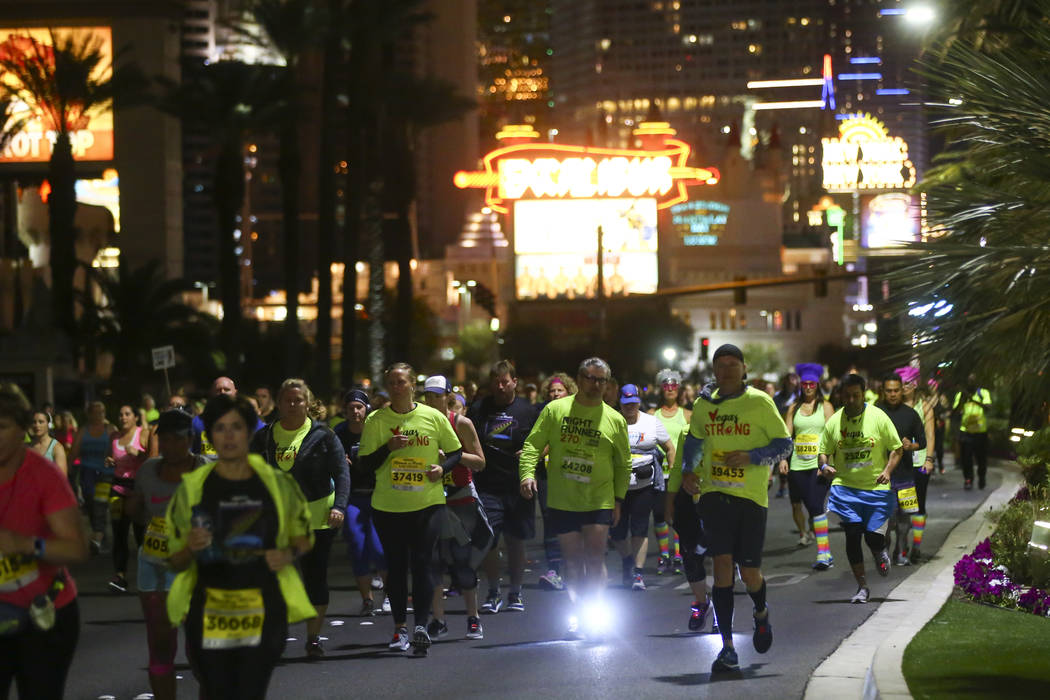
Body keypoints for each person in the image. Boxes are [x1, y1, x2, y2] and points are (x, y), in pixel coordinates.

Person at [166, 394, 315, 699]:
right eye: (220, 428)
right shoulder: (193, 488)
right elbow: (175, 559)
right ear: (208, 436)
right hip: (209, 613)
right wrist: (191, 548)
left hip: (264, 610)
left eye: (237, 427)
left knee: (249, 691)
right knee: (217, 690)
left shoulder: (277, 484)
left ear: (249, 433)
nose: (229, 435)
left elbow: (303, 537)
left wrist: (287, 553)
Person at [680, 344, 792, 673]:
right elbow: (696, 440)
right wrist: (689, 470)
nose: (727, 370)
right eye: (721, 365)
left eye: (733, 364)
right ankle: (727, 648)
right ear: (714, 370)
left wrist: (751, 457)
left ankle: (761, 613)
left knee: (750, 573)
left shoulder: (759, 401)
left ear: (744, 368)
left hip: (751, 498)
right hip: (714, 495)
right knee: (722, 566)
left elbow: (784, 445)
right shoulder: (703, 405)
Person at [519, 357, 631, 639]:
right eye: (590, 378)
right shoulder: (556, 411)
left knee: (594, 558)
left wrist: (619, 498)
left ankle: (595, 611)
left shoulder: (614, 419)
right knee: (572, 561)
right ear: (579, 380)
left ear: (608, 385)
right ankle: (579, 610)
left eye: (601, 380)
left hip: (598, 498)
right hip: (563, 498)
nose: (595, 385)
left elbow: (623, 463)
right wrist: (526, 474)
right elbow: (533, 445)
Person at [358, 363, 463, 656]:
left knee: (422, 562)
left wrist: (441, 468)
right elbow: (365, 466)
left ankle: (420, 627)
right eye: (391, 382)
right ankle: (399, 626)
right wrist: (387, 449)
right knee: (396, 565)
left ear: (412, 386)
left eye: (401, 382)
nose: (396, 387)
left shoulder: (432, 417)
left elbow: (455, 452)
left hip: (427, 503)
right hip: (388, 505)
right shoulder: (376, 420)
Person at [0, 383, 88, 699]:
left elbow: (77, 547)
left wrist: (28, 545)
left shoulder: (42, 475)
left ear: (21, 430)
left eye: (2, 427)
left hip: (44, 614)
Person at [251, 379, 349, 659]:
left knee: (314, 578)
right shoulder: (265, 436)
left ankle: (313, 638)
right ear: (278, 404)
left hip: (317, 516)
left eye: (298, 400)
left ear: (308, 403)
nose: (293, 405)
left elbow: (342, 473)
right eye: (288, 401)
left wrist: (339, 506)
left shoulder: (324, 435)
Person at [125, 409, 207, 700]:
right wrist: (129, 505)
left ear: (190, 439)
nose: (171, 445)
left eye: (177, 439)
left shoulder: (207, 470)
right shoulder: (148, 470)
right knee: (160, 646)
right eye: (165, 439)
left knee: (200, 649)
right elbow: (137, 509)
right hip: (154, 565)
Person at [818, 374, 903, 605]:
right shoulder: (835, 421)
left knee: (873, 537)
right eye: (847, 396)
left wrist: (887, 471)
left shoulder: (878, 417)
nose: (852, 400)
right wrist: (824, 465)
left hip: (876, 488)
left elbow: (896, 449)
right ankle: (862, 587)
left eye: (856, 395)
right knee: (853, 535)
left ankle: (879, 550)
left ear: (863, 394)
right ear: (841, 396)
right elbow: (823, 451)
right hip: (845, 488)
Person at [467, 360, 539, 614]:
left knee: (516, 541)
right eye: (496, 382)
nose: (500, 386)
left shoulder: (527, 410)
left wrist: (532, 453)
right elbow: (466, 438)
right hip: (487, 484)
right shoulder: (479, 408)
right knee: (489, 540)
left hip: (518, 485)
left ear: (514, 382)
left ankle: (516, 592)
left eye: (505, 381)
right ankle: (494, 591)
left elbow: (544, 440)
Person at [421, 375, 489, 641]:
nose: (432, 400)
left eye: (437, 395)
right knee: (433, 561)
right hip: (431, 498)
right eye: (427, 396)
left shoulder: (460, 423)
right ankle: (439, 620)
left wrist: (453, 457)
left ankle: (473, 618)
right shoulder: (420, 422)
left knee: (462, 560)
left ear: (448, 395)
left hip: (460, 497)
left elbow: (480, 462)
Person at [614, 384, 674, 591]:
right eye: (625, 404)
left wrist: (673, 470)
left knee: (640, 528)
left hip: (644, 485)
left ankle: (638, 574)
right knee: (617, 531)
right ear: (620, 404)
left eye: (633, 403)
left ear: (638, 402)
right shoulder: (613, 421)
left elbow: (669, 448)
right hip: (617, 487)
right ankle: (627, 560)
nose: (629, 407)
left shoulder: (651, 422)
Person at [334, 389, 388, 616]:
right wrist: (339, 462)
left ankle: (391, 595)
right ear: (345, 411)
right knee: (357, 546)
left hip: (378, 495)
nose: (355, 412)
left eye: (359, 407)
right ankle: (367, 600)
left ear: (367, 409)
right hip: (353, 496)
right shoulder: (339, 433)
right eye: (351, 408)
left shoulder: (376, 429)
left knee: (379, 548)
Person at [778, 363, 835, 570]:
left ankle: (823, 552)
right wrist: (783, 459)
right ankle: (825, 552)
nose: (808, 387)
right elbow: (786, 436)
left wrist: (827, 461)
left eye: (812, 384)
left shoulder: (826, 407)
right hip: (797, 465)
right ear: (800, 386)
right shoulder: (794, 408)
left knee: (815, 505)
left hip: (818, 465)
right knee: (805, 505)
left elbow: (832, 434)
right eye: (805, 384)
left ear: (817, 385)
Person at [876, 373, 928, 567]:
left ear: (902, 390)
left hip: (906, 475)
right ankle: (885, 551)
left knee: (905, 519)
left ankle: (902, 552)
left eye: (896, 390)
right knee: (887, 520)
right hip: (882, 476)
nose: (892, 394)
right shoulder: (875, 412)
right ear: (883, 391)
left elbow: (922, 442)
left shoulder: (910, 414)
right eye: (888, 391)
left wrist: (910, 446)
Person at [535, 373, 577, 590]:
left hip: (572, 473)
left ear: (568, 391)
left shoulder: (577, 412)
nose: (555, 394)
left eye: (559, 390)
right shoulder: (543, 412)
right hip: (546, 475)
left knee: (571, 520)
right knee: (549, 519)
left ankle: (575, 568)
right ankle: (554, 569)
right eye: (552, 391)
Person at [649, 368, 691, 575]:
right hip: (658, 473)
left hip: (679, 473)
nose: (670, 389)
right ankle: (664, 554)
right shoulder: (651, 415)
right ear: (661, 389)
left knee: (678, 515)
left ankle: (678, 553)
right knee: (659, 514)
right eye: (666, 385)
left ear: (679, 388)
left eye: (674, 385)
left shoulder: (687, 414)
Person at [108, 404, 149, 593]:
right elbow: (111, 458)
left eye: (127, 414)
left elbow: (151, 459)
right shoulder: (114, 437)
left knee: (141, 534)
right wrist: (109, 460)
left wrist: (139, 454)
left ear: (134, 417)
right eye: (121, 414)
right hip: (117, 489)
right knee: (119, 534)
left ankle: (146, 576)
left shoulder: (142, 433)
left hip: (137, 489)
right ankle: (120, 577)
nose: (123, 417)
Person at [899, 367, 936, 563]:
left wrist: (929, 460)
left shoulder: (925, 407)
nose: (903, 387)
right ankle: (902, 545)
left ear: (914, 385)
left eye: (907, 383)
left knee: (919, 504)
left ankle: (917, 546)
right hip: (902, 463)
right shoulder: (895, 407)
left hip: (921, 462)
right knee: (905, 505)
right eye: (901, 383)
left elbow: (930, 435)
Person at [70, 400, 112, 554]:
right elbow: (74, 452)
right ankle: (100, 534)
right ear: (89, 414)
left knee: (100, 504)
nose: (99, 414)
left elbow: (117, 448)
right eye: (95, 411)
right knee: (89, 502)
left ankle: (99, 538)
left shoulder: (110, 429)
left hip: (105, 473)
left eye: (102, 411)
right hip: (87, 472)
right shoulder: (83, 431)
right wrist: (68, 471)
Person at [953, 375, 992, 490]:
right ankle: (968, 479)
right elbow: (955, 411)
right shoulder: (961, 395)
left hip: (980, 431)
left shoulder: (983, 393)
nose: (971, 382)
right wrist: (962, 400)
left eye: (973, 380)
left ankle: (982, 477)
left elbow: (988, 407)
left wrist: (972, 399)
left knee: (981, 458)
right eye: (969, 380)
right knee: (966, 458)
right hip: (966, 431)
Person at [28, 410, 67, 475]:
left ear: (48, 424)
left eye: (41, 422)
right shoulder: (27, 446)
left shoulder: (56, 447)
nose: (37, 425)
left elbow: (62, 478)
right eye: (34, 422)